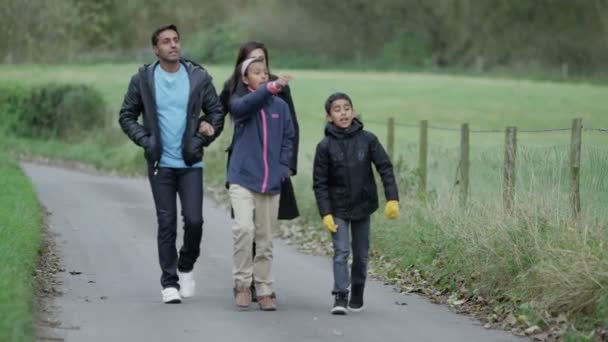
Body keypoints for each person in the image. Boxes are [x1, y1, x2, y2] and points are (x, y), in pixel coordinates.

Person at [118, 24, 224, 304]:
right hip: (160, 164)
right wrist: (147, 141)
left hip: (190, 162)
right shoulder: (143, 79)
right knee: (166, 223)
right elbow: (127, 115)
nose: (173, 45)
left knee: (195, 221)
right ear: (156, 49)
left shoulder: (198, 77)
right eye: (166, 41)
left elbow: (216, 112)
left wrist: (204, 135)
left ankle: (186, 264)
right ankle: (169, 283)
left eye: (176, 40)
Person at [214, 41, 300, 302]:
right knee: (243, 229)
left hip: (271, 180)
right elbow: (237, 110)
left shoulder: (280, 106)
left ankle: (264, 287)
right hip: (242, 176)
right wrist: (270, 88)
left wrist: (284, 166)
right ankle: (242, 284)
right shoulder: (239, 99)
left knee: (264, 239)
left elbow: (289, 134)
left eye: (265, 69)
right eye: (255, 69)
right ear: (244, 77)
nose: (263, 74)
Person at [312, 92, 400, 315]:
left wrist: (392, 198)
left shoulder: (368, 139)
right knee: (341, 251)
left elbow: (385, 168)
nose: (343, 112)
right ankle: (340, 295)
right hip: (337, 208)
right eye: (337, 109)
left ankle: (357, 291)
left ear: (353, 111)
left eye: (347, 108)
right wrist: (325, 213)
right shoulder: (324, 147)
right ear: (329, 116)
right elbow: (319, 183)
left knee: (360, 254)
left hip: (363, 205)